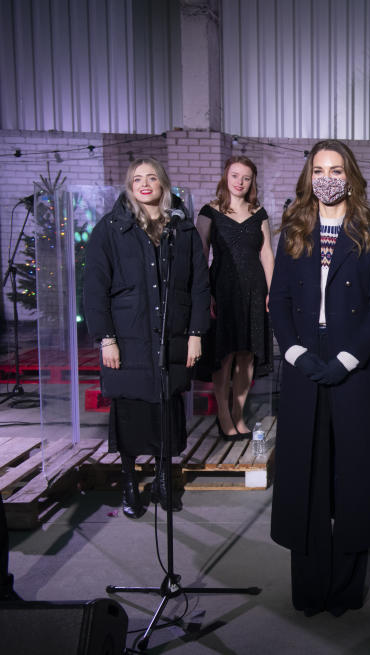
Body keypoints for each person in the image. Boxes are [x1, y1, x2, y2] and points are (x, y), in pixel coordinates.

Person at [269, 139, 370, 616]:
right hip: (304, 362)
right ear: (309, 177)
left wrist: (348, 358)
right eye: (319, 169)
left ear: (350, 176)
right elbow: (278, 299)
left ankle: (345, 591)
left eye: (336, 169)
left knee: (353, 475)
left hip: (351, 363)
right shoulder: (295, 230)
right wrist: (295, 352)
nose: (327, 177)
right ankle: (310, 590)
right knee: (307, 475)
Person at [84, 158, 209, 517]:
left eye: (152, 177)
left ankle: (163, 479)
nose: (144, 183)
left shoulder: (182, 231)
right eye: (137, 178)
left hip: (171, 338)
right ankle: (128, 480)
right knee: (130, 414)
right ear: (129, 187)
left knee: (166, 412)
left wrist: (196, 334)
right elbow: (94, 290)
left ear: (163, 185)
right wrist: (106, 338)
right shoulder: (109, 230)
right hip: (128, 338)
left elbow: (199, 286)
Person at [197, 156, 274, 438]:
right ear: (226, 177)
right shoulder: (209, 212)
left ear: (252, 181)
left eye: (246, 178)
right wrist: (206, 294)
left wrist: (272, 291)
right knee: (225, 356)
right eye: (235, 176)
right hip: (223, 289)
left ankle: (239, 414)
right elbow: (201, 256)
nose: (240, 182)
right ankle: (223, 415)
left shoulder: (259, 213)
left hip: (254, 289)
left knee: (247, 356)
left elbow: (267, 254)